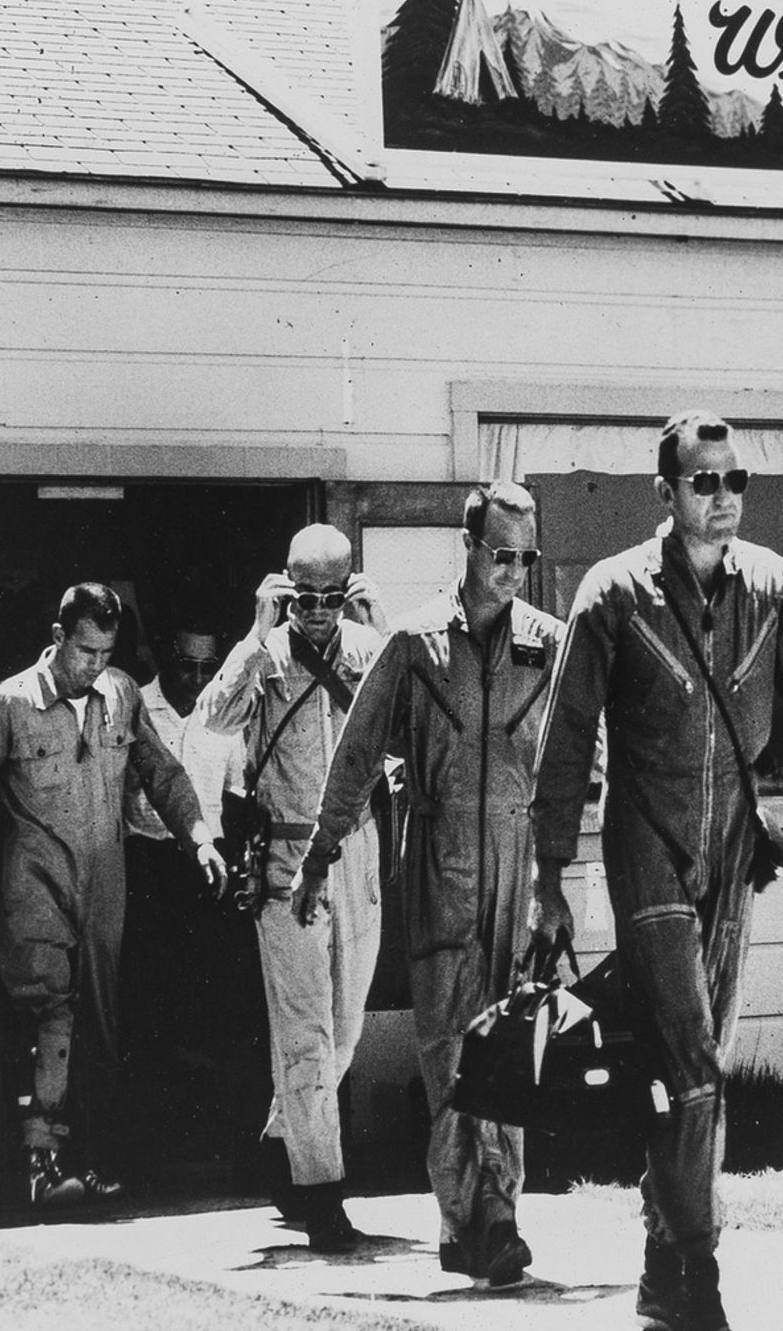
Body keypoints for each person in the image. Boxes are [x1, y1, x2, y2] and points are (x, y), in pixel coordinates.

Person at [529, 410, 783, 1331]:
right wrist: (547, 873)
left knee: (695, 1072)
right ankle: (698, 1280)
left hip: (734, 853)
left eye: (736, 481)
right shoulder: (612, 594)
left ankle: (663, 1271)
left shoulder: (770, 584)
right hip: (647, 845)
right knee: (694, 1073)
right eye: (705, 482)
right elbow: (566, 740)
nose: (724, 498)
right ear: (665, 493)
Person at [293, 482, 561, 1287]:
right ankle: (466, 1217)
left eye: (526, 557)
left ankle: (498, 1219)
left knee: (508, 1049)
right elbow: (356, 754)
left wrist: (559, 876)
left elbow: (579, 760)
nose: (512, 571)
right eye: (500, 553)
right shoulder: (413, 645)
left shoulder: (549, 645)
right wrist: (317, 855)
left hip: (517, 867)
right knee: (450, 1051)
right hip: (440, 862)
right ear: (470, 546)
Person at [0, 582, 229, 1212]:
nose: (95, 665)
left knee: (100, 1020)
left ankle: (86, 1162)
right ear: (59, 638)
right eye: (85, 651)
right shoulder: (8, 706)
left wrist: (198, 837)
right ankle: (39, 1165)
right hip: (35, 883)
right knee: (51, 1007)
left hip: (106, 886)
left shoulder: (120, 695)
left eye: (106, 652)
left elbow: (163, 772)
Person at [196, 525, 387, 1252]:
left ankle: (289, 1133)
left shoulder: (371, 650)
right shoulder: (267, 655)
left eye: (330, 598)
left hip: (356, 851)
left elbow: (419, 731)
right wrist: (254, 631)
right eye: (304, 597)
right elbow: (211, 720)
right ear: (284, 587)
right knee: (304, 1029)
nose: (316, 611)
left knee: (345, 1026)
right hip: (285, 856)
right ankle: (322, 1192)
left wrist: (386, 630)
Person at [120, 622, 249, 1160]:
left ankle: (208, 1146)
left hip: (209, 874)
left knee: (209, 1009)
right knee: (152, 1009)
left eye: (207, 667)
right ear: (165, 659)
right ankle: (153, 1145)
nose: (196, 679)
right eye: (186, 666)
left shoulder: (225, 714)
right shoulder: (135, 708)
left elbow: (239, 793)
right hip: (148, 870)